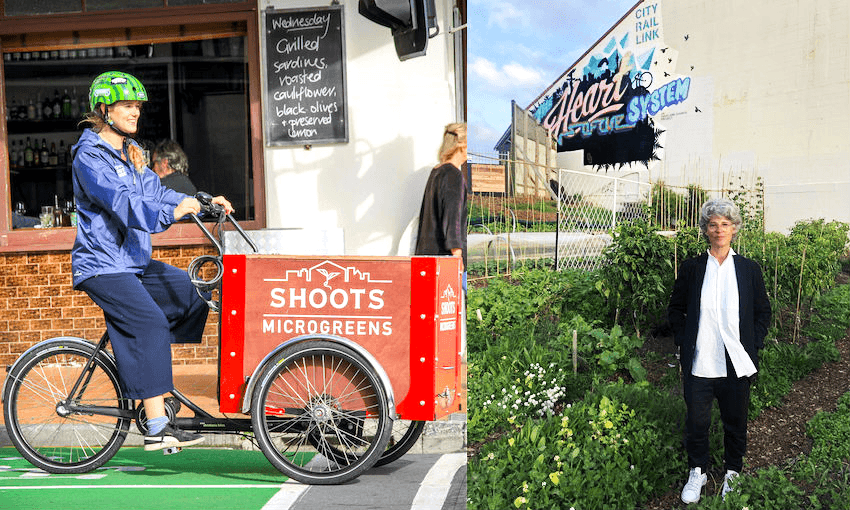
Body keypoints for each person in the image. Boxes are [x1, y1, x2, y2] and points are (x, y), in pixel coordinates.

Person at [71, 71, 233, 452]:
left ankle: (146, 369)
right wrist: (174, 212)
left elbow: (156, 192)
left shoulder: (131, 151)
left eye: (138, 107)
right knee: (150, 323)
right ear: (104, 109)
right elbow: (124, 203)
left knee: (193, 293)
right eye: (128, 105)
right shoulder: (90, 156)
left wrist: (204, 202)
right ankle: (157, 424)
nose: (136, 113)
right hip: (102, 265)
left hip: (133, 261)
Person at [668, 197, 771, 504]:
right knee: (697, 423)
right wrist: (683, 340)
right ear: (705, 229)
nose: (719, 230)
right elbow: (675, 310)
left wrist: (755, 343)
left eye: (725, 224)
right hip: (701, 361)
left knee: (735, 422)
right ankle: (697, 471)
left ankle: (732, 472)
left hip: (736, 362)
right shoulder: (692, 268)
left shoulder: (749, 270)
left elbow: (763, 312)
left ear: (734, 229)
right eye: (713, 224)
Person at [414, 122, 468, 288]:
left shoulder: (436, 171)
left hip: (427, 260)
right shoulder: (453, 175)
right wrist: (457, 256)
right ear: (462, 145)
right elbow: (453, 217)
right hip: (445, 262)